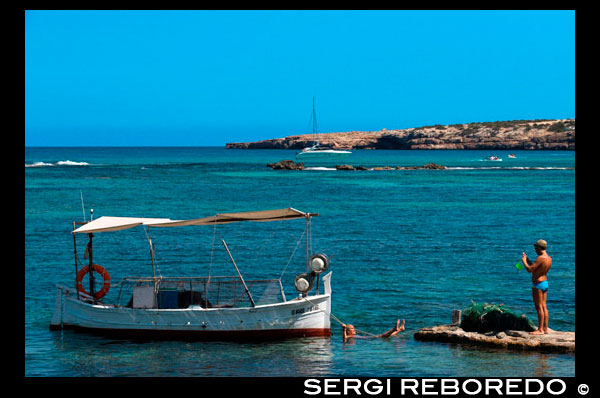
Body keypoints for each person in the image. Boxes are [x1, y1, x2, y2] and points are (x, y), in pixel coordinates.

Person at [521, 239, 552, 335]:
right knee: (544, 306)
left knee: (539, 307)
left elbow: (529, 270)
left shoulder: (540, 258)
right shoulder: (549, 258)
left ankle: (540, 329)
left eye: (536, 247)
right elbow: (536, 269)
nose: (535, 249)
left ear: (540, 248)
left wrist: (523, 261)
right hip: (545, 283)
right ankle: (545, 329)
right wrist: (528, 260)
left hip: (538, 284)